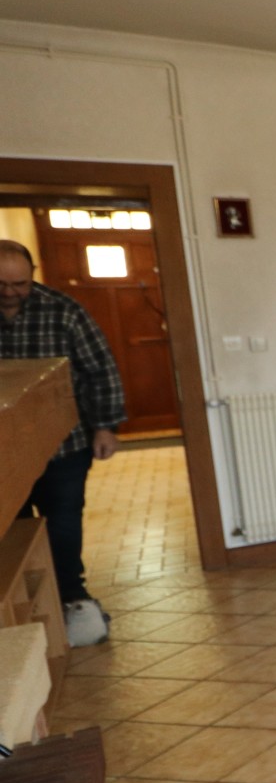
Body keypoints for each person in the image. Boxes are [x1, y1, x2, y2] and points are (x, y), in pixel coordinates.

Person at [0, 238, 124, 646]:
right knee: (13, 530)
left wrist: (105, 426)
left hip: (64, 445)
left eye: (19, 284)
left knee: (63, 521)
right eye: (1, 284)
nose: (10, 293)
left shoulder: (64, 310)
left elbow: (100, 369)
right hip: (4, 452)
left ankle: (73, 597)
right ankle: (25, 612)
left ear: (32, 276)